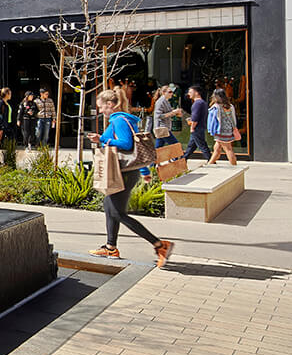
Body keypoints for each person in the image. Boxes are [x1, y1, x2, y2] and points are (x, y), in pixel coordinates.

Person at [88, 89, 174, 266]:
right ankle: (111, 247)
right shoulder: (123, 119)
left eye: (102, 107)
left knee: (118, 213)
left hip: (124, 173)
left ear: (110, 105)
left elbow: (127, 144)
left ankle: (159, 244)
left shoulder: (118, 120)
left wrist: (102, 140)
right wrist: (144, 172)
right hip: (127, 171)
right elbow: (137, 150)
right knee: (108, 205)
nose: (101, 111)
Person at [206, 88, 239, 165]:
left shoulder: (216, 107)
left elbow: (213, 120)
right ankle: (210, 164)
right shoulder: (230, 106)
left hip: (220, 130)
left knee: (228, 149)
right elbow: (233, 118)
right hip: (228, 130)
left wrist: (211, 130)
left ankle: (234, 166)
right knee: (216, 148)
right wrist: (234, 127)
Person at [150, 84, 183, 150]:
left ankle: (154, 160)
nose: (172, 94)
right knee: (175, 145)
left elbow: (168, 113)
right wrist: (173, 112)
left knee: (158, 147)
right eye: (170, 92)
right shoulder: (160, 101)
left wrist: (176, 113)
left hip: (163, 128)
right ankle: (177, 158)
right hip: (162, 128)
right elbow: (159, 116)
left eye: (172, 92)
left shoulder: (166, 101)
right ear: (163, 92)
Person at [183, 86, 211, 160]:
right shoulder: (203, 102)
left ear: (196, 93)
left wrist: (192, 127)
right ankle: (183, 159)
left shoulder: (197, 103)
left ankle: (210, 160)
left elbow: (195, 117)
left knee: (202, 145)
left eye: (190, 92)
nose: (189, 94)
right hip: (201, 127)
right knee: (191, 146)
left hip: (197, 128)